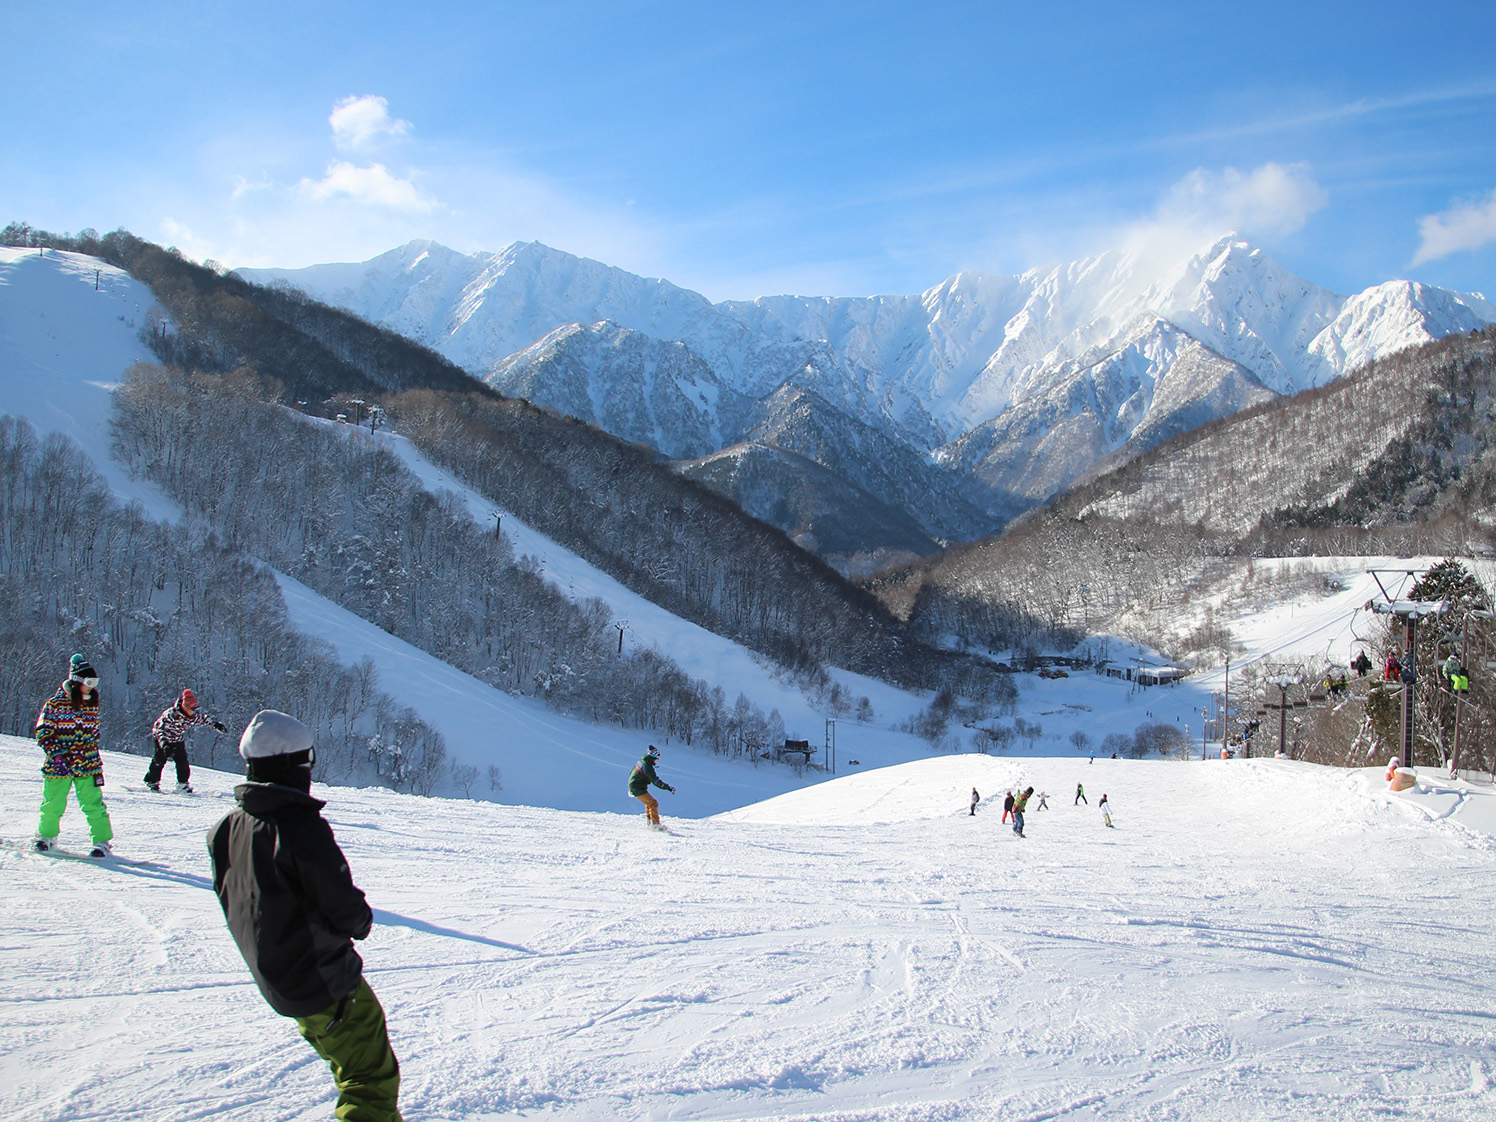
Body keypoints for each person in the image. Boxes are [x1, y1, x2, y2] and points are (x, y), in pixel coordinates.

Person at [207, 710, 402, 1122]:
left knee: (352, 1064)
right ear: (292, 764)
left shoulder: (227, 827)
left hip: (280, 978)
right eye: (306, 759)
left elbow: (237, 898)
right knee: (369, 1078)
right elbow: (342, 905)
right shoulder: (298, 828)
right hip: (323, 978)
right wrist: (361, 921)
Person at [33, 654, 114, 857]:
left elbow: (93, 732)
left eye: (95, 682)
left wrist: (90, 749)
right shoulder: (55, 704)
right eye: (89, 682)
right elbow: (43, 731)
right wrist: (57, 755)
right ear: (77, 682)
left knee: (93, 804)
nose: (92, 687)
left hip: (87, 764)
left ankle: (101, 841)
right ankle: (46, 836)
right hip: (58, 764)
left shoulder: (91, 703)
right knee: (53, 802)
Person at [145, 688, 227, 793]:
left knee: (182, 761)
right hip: (162, 738)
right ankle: (152, 781)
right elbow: (160, 731)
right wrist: (164, 745)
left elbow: (203, 718)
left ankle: (182, 784)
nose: (195, 712)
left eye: (197, 709)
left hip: (177, 738)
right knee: (159, 759)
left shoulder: (192, 716)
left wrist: (215, 725)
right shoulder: (171, 715)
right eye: (194, 709)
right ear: (185, 707)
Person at [628, 745, 675, 829]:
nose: (657, 760)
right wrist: (668, 787)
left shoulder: (642, 761)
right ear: (654, 756)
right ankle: (655, 825)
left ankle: (650, 823)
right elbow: (656, 782)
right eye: (657, 758)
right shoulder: (647, 766)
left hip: (636, 786)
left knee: (649, 803)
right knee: (653, 803)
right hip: (636, 788)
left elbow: (632, 771)